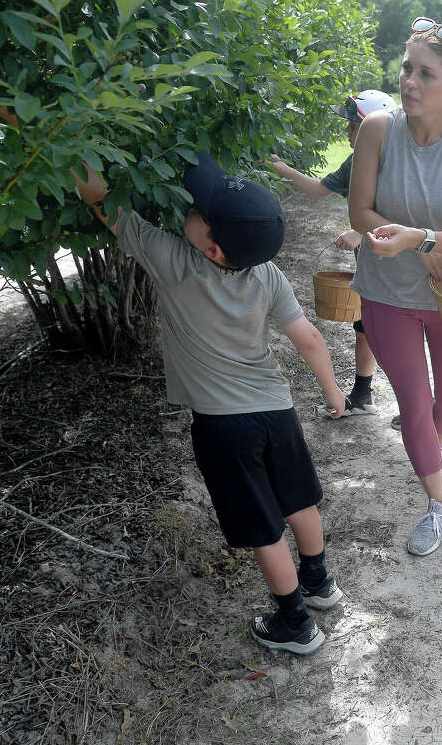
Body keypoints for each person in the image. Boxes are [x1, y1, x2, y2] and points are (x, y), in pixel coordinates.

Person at [73, 152, 347, 655]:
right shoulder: (268, 275)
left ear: (214, 247)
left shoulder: (172, 260)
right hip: (276, 410)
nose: (189, 209)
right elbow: (307, 337)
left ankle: (296, 625)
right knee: (298, 500)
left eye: (199, 212)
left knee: (263, 525)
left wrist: (61, 148)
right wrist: (333, 391)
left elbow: (103, 203)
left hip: (225, 427)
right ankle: (319, 583)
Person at [346, 17, 442, 556]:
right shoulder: (378, 130)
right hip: (387, 294)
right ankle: (439, 505)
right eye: (407, 68)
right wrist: (414, 245)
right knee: (414, 404)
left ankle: (432, 451)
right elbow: (359, 210)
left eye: (425, 74)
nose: (409, 81)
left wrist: (424, 241)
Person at [267, 90, 398, 420]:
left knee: (401, 331)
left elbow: (407, 215)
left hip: (403, 264)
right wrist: (282, 168)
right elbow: (320, 189)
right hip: (372, 263)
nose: (348, 132)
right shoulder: (357, 160)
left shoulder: (402, 161)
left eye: (353, 125)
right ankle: (364, 394)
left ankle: (419, 407)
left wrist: (360, 231)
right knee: (366, 325)